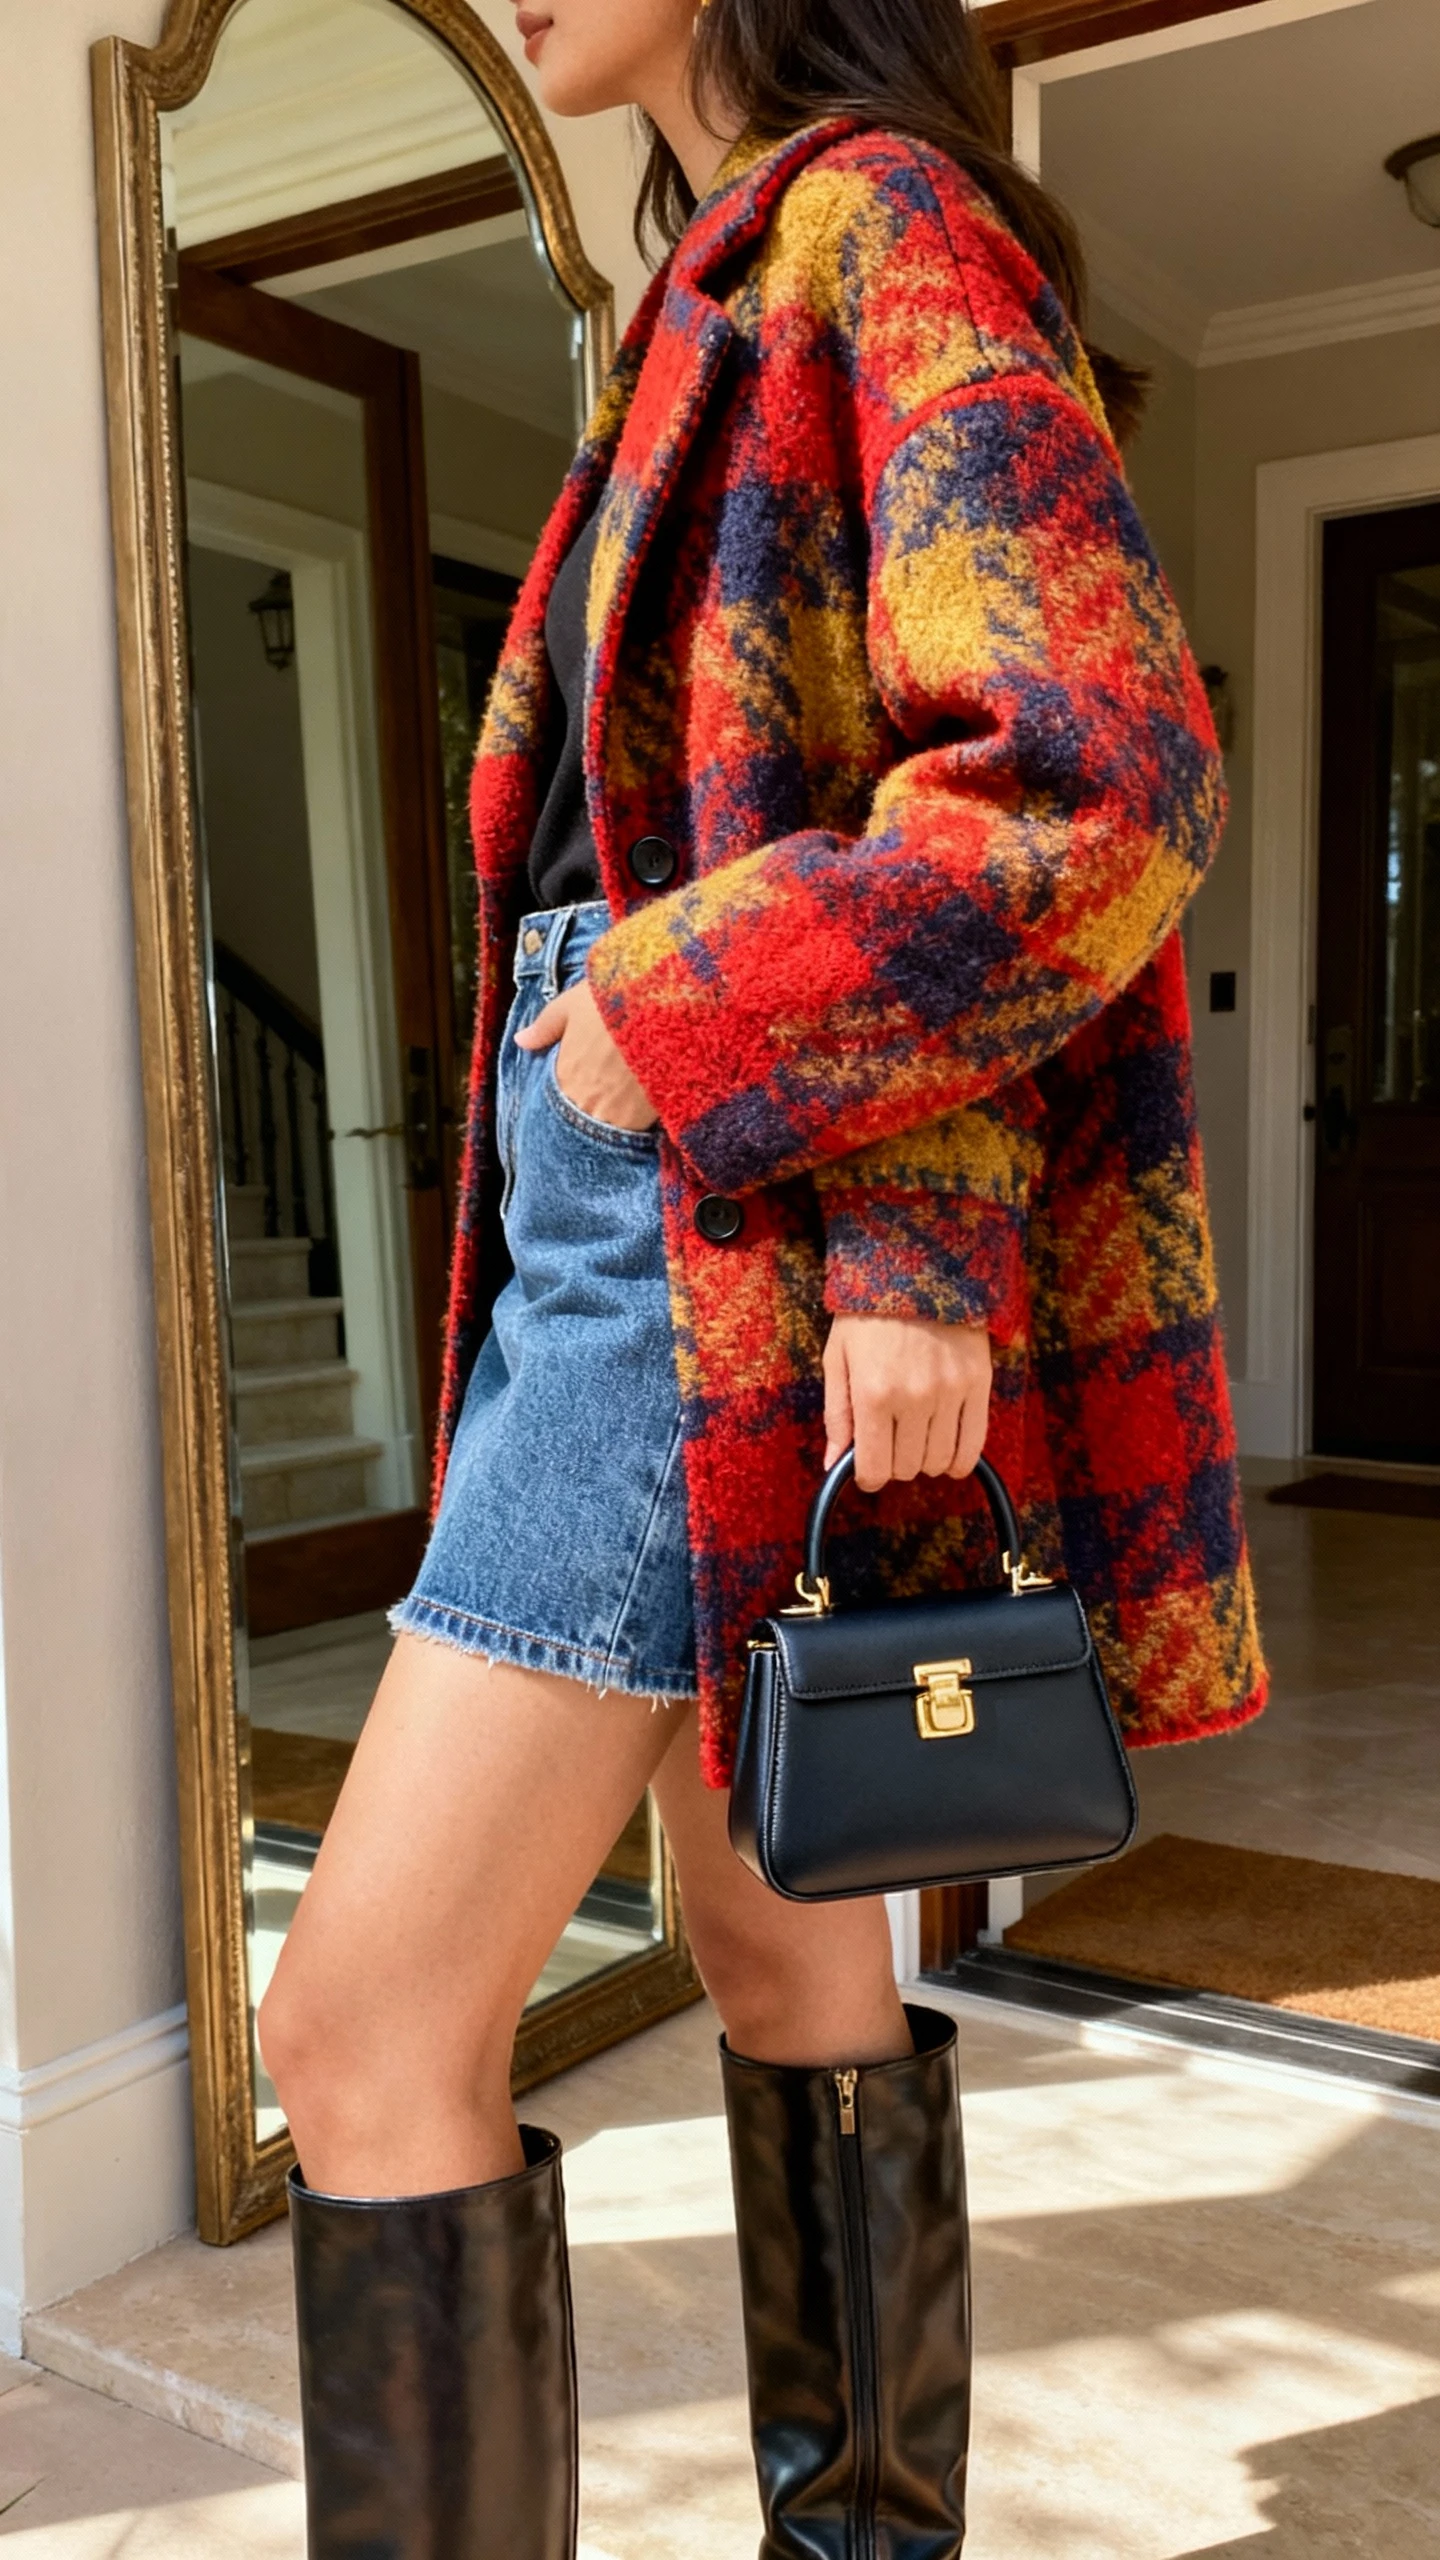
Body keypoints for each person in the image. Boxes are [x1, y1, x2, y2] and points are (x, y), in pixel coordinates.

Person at [259, 2, 1267, 2552]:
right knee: (777, 1933)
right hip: (692, 1204)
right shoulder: (722, 278)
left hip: (705, 1206)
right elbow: (832, 772)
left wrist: (692, 1060)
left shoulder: (881, 225)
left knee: (360, 2026)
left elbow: (1092, 759)